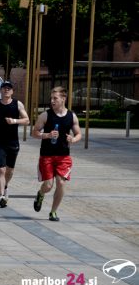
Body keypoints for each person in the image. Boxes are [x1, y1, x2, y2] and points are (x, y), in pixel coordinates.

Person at [31, 86, 82, 221]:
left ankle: (53, 212)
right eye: (51, 98)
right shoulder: (45, 115)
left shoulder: (72, 116)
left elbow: (78, 134)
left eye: (55, 98)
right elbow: (34, 132)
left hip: (64, 156)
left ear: (63, 99)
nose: (52, 101)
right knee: (48, 185)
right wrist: (47, 135)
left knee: (61, 183)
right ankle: (40, 194)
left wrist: (73, 139)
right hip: (47, 155)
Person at [0, 81, 29, 208]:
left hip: (13, 141)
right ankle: (1, 196)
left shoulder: (17, 104)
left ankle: (5, 186)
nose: (6, 90)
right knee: (1, 169)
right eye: (4, 88)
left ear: (12, 91)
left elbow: (27, 120)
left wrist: (14, 121)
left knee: (9, 170)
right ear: (0, 90)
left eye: (9, 88)